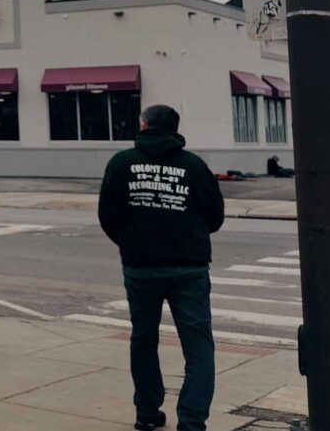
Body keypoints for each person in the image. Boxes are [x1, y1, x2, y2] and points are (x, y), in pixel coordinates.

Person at [99, 104, 224, 431]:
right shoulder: (194, 166)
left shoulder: (122, 163)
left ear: (143, 125)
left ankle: (147, 412)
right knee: (198, 348)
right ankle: (192, 422)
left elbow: (107, 215)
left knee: (143, 339)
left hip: (141, 268)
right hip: (189, 268)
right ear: (175, 129)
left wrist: (131, 242)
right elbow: (215, 216)